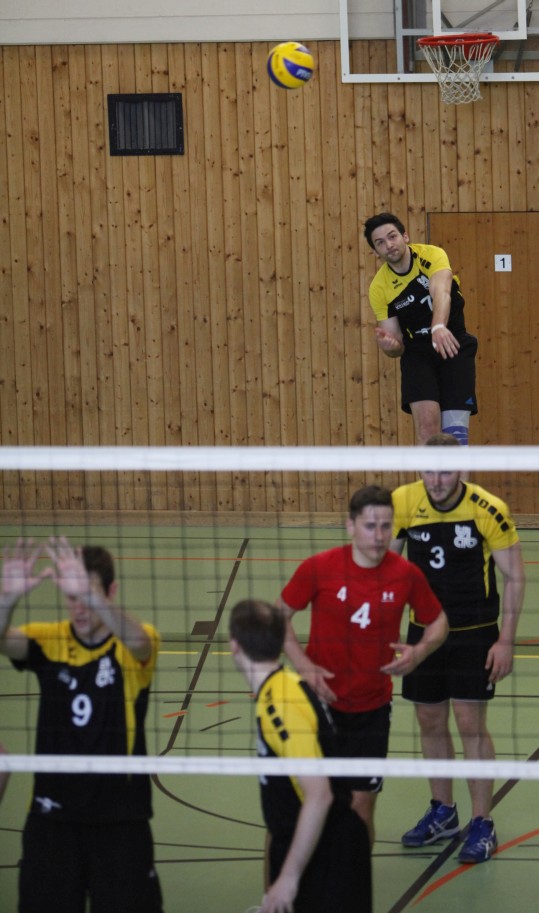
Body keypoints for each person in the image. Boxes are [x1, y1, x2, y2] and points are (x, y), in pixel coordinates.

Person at [0, 536, 164, 913]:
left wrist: (92, 595)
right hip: (52, 819)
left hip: (121, 820)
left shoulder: (133, 643)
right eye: (71, 597)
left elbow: (140, 642)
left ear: (111, 591)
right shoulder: (49, 639)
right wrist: (7, 599)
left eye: (86, 596)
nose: (79, 608)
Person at [277, 485, 448, 845]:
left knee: (361, 808)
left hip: (372, 709)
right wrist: (303, 666)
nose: (379, 536)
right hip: (319, 705)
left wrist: (419, 652)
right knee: (311, 802)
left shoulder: (405, 574)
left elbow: (438, 622)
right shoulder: (319, 567)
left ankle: (354, 877)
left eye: (386, 526)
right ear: (350, 525)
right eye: (370, 526)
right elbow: (279, 616)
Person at [391, 433, 525, 863]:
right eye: (428, 471)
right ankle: (443, 811)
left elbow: (515, 577)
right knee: (429, 720)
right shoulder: (403, 502)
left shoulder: (488, 508)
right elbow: (385, 570)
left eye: (445, 472)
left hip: (475, 632)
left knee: (470, 723)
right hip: (423, 632)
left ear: (461, 470)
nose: (435, 481)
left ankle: (482, 821)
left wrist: (505, 640)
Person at [229, 597, 372, 913]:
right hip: (308, 841)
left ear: (234, 645)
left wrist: (289, 878)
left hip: (325, 851)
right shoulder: (283, 685)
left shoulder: (280, 702)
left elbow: (319, 794)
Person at [364, 212, 478, 445]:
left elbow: (441, 292)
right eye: (380, 242)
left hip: (453, 343)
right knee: (428, 432)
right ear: (376, 252)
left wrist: (438, 326)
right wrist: (391, 346)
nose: (389, 245)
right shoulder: (379, 288)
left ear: (405, 236)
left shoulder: (431, 255)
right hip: (417, 354)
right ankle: (429, 471)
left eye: (392, 236)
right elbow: (397, 346)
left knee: (456, 433)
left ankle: (458, 472)